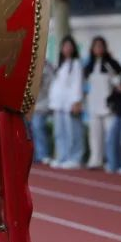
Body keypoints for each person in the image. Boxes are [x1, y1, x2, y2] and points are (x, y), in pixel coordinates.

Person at [83, 37, 121, 170]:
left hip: (108, 106)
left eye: (101, 46)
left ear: (105, 48)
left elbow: (119, 83)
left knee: (110, 136)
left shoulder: (112, 64)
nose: (98, 49)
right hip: (94, 105)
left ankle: (111, 161)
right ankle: (95, 159)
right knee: (94, 136)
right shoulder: (89, 66)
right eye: (96, 46)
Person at [49, 35, 85, 169]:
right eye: (65, 46)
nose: (67, 48)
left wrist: (76, 101)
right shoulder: (60, 64)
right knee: (59, 132)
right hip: (59, 104)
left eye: (69, 46)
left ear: (74, 48)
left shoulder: (75, 64)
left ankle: (75, 157)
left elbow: (77, 84)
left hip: (70, 104)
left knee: (73, 131)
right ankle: (62, 156)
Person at [28, 57, 54, 164]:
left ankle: (43, 154)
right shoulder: (30, 63)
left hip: (43, 103)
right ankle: (34, 155)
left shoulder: (48, 67)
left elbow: (48, 85)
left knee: (38, 127)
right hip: (30, 104)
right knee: (30, 130)